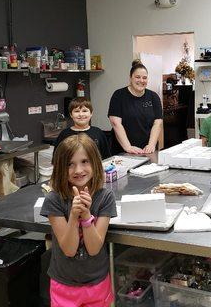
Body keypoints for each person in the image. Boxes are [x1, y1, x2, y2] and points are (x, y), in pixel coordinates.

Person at [40, 134, 117, 307]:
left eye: (85, 161)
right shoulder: (54, 199)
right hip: (64, 285)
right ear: (60, 167)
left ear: (95, 163)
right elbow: (68, 249)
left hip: (97, 284)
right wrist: (74, 216)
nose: (78, 170)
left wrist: (86, 216)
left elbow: (94, 247)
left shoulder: (105, 197)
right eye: (70, 164)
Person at [108, 60, 163, 154]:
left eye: (144, 78)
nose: (141, 80)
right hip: (123, 150)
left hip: (148, 150)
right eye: (137, 77)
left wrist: (151, 145)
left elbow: (157, 123)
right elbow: (115, 123)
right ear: (130, 78)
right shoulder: (118, 95)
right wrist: (127, 147)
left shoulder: (153, 97)